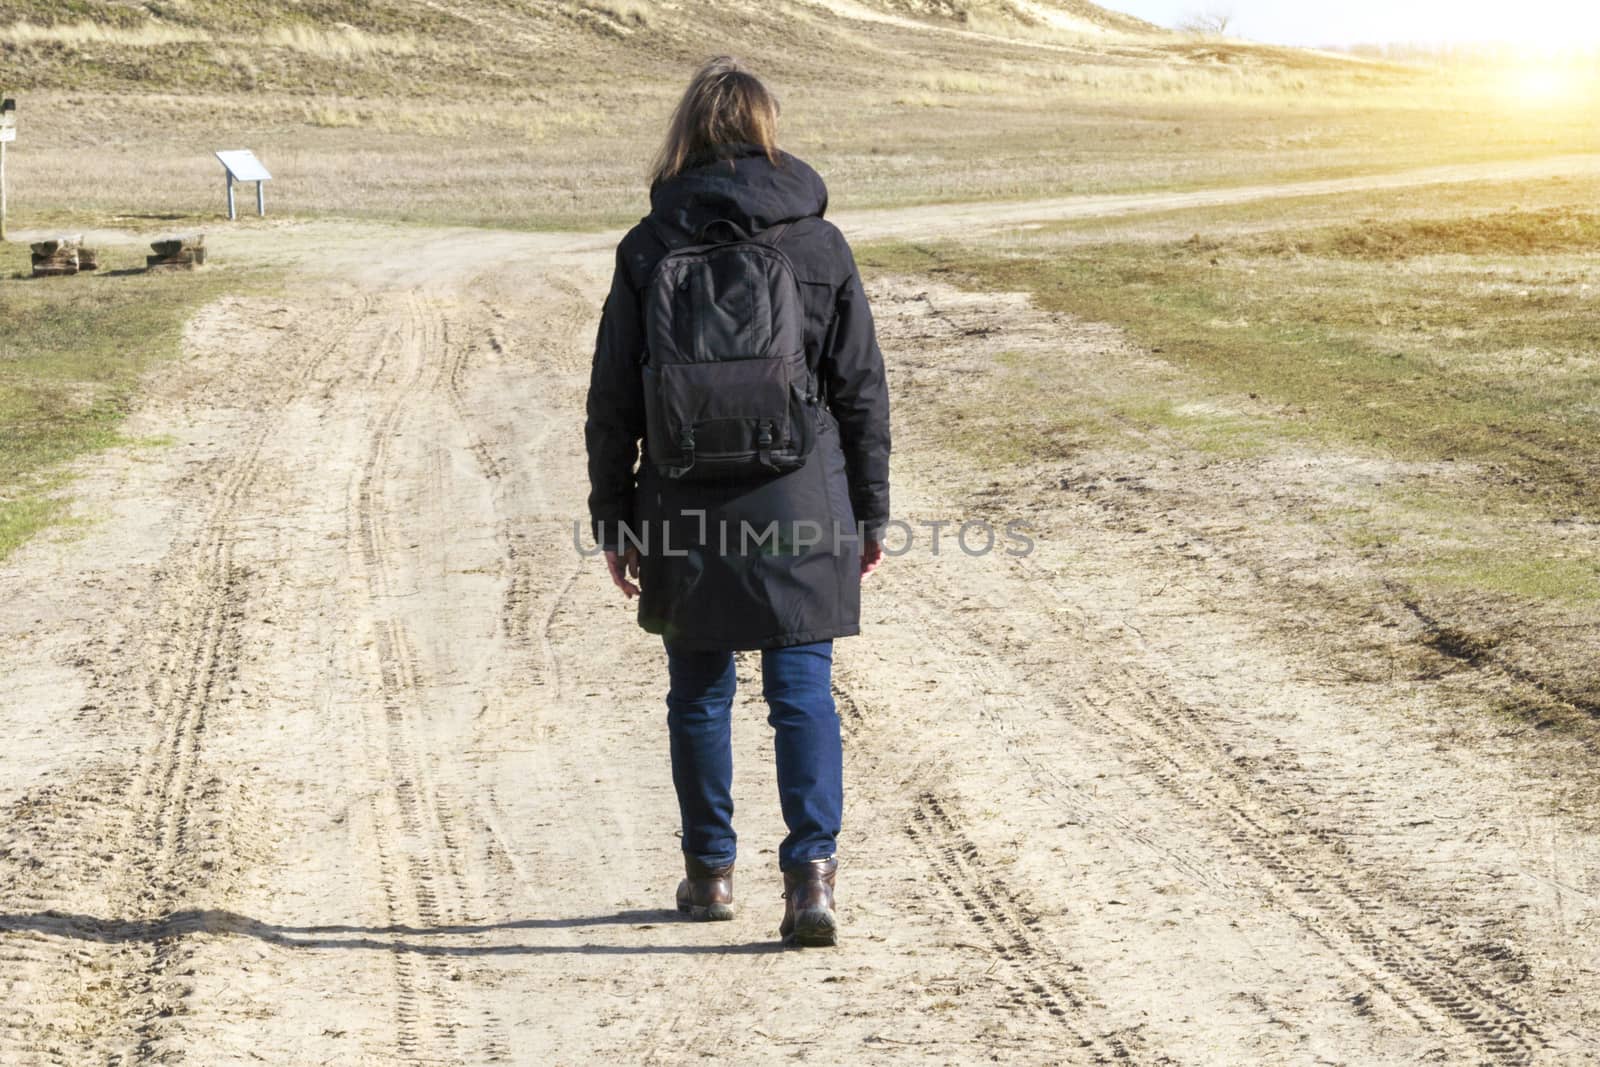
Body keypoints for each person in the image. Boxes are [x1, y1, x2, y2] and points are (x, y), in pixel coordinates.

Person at [584, 56, 890, 947]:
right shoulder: (818, 245)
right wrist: (869, 510)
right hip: (801, 492)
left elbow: (613, 400)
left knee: (699, 690)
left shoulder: (648, 247)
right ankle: (811, 881)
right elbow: (861, 387)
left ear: (688, 132)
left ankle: (710, 873)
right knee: (801, 685)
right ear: (766, 129)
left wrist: (614, 517)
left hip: (681, 495)